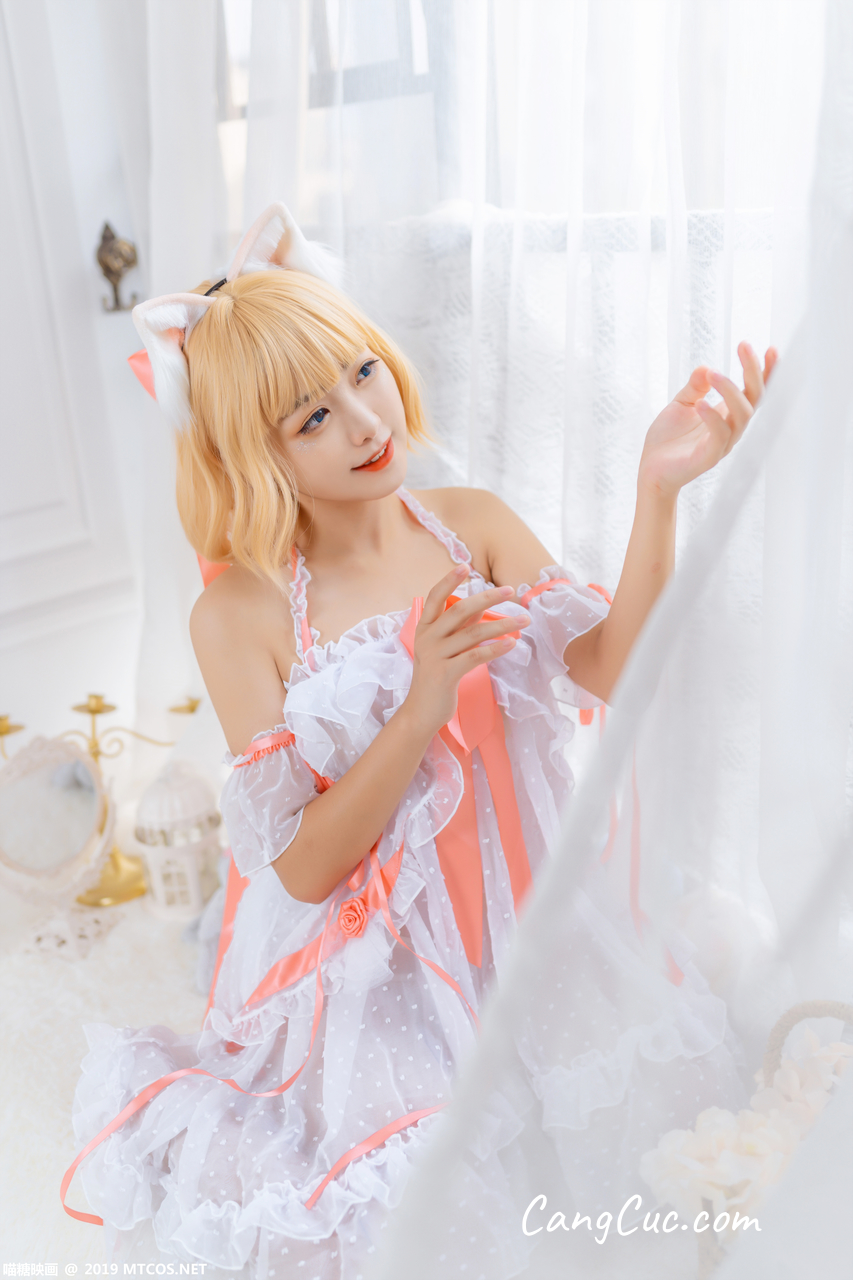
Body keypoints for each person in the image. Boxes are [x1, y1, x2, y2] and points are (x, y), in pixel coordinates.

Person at [64, 204, 776, 1277]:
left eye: (363, 372)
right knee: (406, 1205)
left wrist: (656, 493)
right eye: (312, 417)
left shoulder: (469, 522)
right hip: (378, 963)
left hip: (532, 915)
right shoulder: (240, 616)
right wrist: (419, 705)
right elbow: (303, 867)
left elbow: (611, 672)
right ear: (253, 455)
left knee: (656, 1106)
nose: (365, 421)